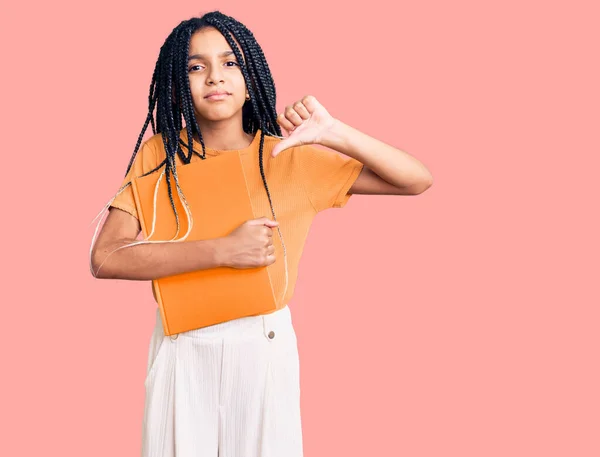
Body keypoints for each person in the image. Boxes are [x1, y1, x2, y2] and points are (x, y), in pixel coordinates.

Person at [89, 10, 433, 457]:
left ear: (252, 73)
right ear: (178, 81)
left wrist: (335, 133)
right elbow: (105, 257)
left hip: (263, 349)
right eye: (196, 66)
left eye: (230, 63)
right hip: (181, 348)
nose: (215, 77)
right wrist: (222, 251)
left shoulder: (290, 155)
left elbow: (416, 179)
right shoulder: (161, 155)